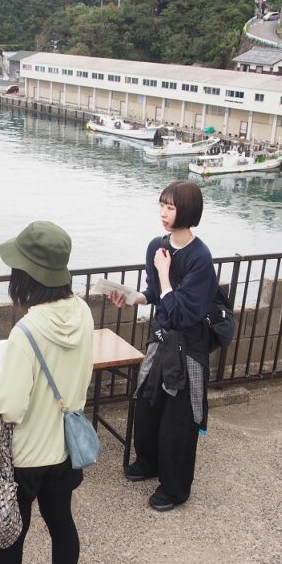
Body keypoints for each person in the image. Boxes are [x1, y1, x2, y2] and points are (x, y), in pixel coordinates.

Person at [0, 221, 93, 564]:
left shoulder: (25, 331)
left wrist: (0, 376)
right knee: (61, 521)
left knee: (15, 528)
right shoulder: (82, 312)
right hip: (66, 446)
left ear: (26, 276)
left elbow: (10, 407)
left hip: (27, 452)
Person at [108, 180, 218, 512]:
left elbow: (184, 314)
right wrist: (132, 298)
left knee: (179, 419)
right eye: (162, 205)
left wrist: (166, 274)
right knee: (148, 402)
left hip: (188, 347)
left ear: (187, 211)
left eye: (170, 207)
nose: (164, 213)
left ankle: (175, 488)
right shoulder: (157, 246)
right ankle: (149, 462)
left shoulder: (201, 258)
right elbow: (155, 293)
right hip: (161, 339)